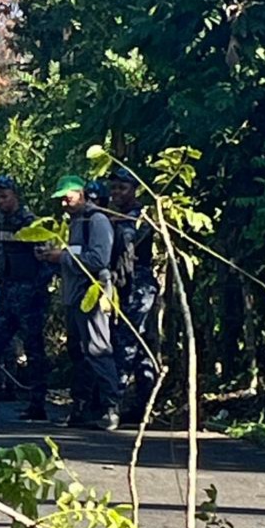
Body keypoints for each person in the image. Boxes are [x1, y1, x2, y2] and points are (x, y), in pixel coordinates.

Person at [38, 176, 120, 431]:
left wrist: (61, 257)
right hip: (73, 296)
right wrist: (51, 256)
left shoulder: (97, 220)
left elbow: (99, 259)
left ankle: (111, 408)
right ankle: (81, 409)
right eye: (61, 199)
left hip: (92, 293)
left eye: (68, 198)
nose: (64, 203)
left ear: (81, 194)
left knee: (97, 349)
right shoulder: (74, 223)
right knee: (78, 353)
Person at [0, 175, 51, 422]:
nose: (0, 202)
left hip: (30, 296)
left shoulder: (31, 224)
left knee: (34, 350)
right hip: (6, 295)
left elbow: (47, 259)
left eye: (4, 196)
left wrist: (38, 289)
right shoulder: (0, 223)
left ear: (15, 195)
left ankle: (37, 405)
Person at [108, 167, 157, 422]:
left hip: (140, 283)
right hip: (123, 283)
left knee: (129, 343)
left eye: (122, 188)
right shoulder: (112, 215)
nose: (116, 192)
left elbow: (134, 241)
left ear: (134, 190)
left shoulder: (141, 217)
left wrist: (118, 222)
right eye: (114, 188)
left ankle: (114, 405)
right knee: (136, 346)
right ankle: (140, 408)